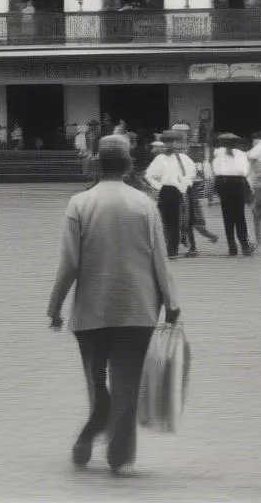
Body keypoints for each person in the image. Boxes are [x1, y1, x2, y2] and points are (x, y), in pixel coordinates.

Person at [47, 136, 181, 477]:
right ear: (129, 166)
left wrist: (55, 306)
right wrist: (171, 302)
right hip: (137, 308)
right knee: (127, 382)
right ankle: (119, 454)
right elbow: (160, 260)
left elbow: (70, 264)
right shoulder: (144, 204)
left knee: (96, 381)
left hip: (91, 311)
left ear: (96, 165)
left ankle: (91, 431)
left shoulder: (79, 203)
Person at [144, 132, 196, 259]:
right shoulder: (160, 159)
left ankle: (188, 247)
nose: (171, 144)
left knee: (186, 220)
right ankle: (171, 249)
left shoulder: (184, 158)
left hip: (182, 191)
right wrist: (160, 187)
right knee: (168, 220)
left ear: (178, 143)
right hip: (167, 191)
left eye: (174, 142)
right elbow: (149, 175)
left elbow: (192, 173)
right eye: (168, 142)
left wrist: (184, 185)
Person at [212, 133, 254, 257]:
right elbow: (216, 169)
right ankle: (232, 246)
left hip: (237, 182)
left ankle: (244, 245)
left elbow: (244, 171)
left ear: (236, 144)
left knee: (239, 216)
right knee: (228, 217)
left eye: (231, 143)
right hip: (223, 182)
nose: (228, 146)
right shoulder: (218, 154)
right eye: (226, 143)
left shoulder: (241, 154)